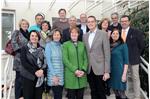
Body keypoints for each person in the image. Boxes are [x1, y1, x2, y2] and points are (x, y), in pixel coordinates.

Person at [83, 16, 110, 99]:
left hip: (100, 68)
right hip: (89, 68)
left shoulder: (103, 34)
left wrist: (107, 71)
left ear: (95, 23)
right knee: (93, 91)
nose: (90, 23)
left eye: (92, 21)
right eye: (88, 22)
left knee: (101, 92)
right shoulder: (85, 36)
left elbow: (107, 53)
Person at [120, 15, 145, 99]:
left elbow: (141, 46)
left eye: (125, 21)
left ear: (129, 22)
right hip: (122, 61)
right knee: (124, 78)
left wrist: (136, 55)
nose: (124, 22)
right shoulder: (118, 32)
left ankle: (137, 96)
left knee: (135, 78)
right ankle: (125, 95)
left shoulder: (136, 32)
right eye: (122, 21)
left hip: (133, 59)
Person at [62, 27, 88, 99]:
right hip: (71, 74)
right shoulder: (65, 45)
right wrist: (75, 70)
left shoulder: (82, 44)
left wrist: (83, 70)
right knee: (71, 96)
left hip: (82, 75)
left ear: (78, 34)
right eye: (72, 33)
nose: (74, 34)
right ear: (70, 34)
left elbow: (85, 58)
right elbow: (65, 60)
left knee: (80, 96)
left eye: (76, 32)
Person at [20, 30, 46, 99]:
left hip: (39, 77)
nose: (34, 37)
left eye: (36, 36)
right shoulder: (24, 48)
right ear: (29, 37)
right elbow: (24, 63)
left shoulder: (42, 49)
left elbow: (45, 62)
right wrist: (35, 71)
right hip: (28, 77)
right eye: (32, 36)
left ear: (38, 38)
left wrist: (42, 70)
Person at [11, 19, 29, 99]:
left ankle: (24, 96)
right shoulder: (17, 32)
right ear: (20, 25)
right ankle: (18, 96)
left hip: (28, 59)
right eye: (23, 24)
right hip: (19, 59)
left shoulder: (29, 34)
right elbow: (13, 42)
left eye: (26, 24)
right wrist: (21, 51)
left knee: (25, 79)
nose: (24, 25)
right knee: (19, 80)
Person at [109, 28, 129, 99]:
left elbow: (126, 61)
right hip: (112, 71)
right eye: (113, 33)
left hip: (120, 71)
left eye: (117, 33)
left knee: (122, 94)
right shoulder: (109, 45)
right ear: (111, 35)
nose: (115, 35)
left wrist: (124, 74)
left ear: (119, 35)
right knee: (116, 93)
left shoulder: (123, 45)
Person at [45, 29, 64, 99]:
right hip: (53, 75)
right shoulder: (48, 45)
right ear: (52, 36)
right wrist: (54, 75)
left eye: (58, 35)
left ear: (60, 36)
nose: (56, 36)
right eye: (55, 35)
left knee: (59, 95)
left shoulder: (62, 46)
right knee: (57, 96)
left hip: (61, 74)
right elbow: (48, 61)